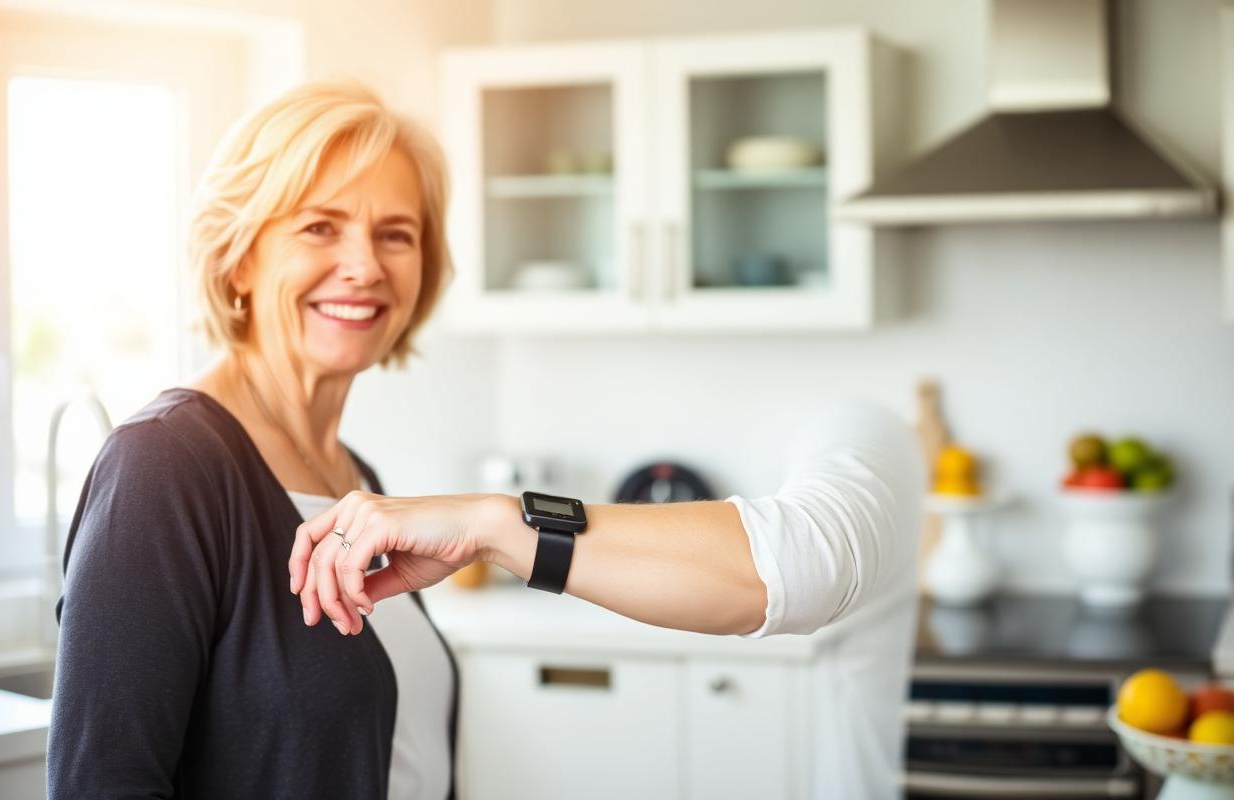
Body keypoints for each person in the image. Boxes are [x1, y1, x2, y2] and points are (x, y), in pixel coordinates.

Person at [48, 81, 459, 799]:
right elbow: (101, 785)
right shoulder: (164, 465)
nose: (365, 266)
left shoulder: (355, 476)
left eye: (396, 234)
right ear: (240, 258)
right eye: (320, 227)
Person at [291, 400, 925, 798]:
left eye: (398, 234)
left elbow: (797, 565)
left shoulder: (858, 423)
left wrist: (494, 524)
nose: (364, 266)